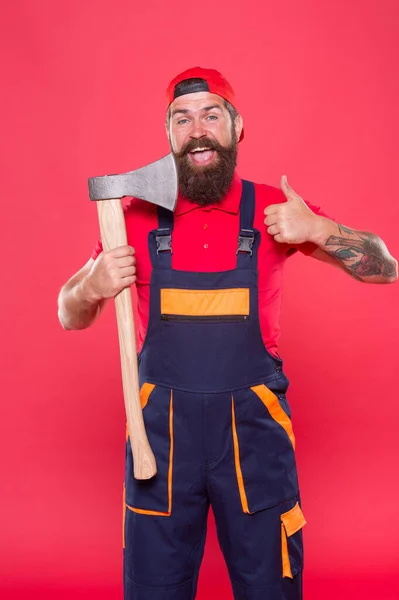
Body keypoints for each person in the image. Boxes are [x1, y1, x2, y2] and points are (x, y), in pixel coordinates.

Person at [58, 67, 397, 600]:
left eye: (212, 115)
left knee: (271, 588)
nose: (197, 129)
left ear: (238, 128)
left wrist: (319, 230)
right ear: (168, 135)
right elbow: (67, 312)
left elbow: (384, 267)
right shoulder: (133, 216)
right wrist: (93, 285)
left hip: (254, 440)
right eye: (182, 118)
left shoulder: (272, 210)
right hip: (161, 446)